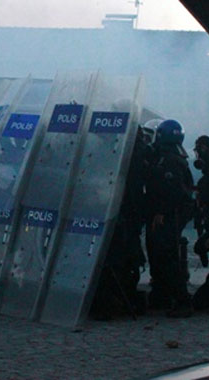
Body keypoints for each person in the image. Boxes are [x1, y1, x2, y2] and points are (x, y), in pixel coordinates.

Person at [91, 125, 148, 320]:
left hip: (123, 213)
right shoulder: (130, 150)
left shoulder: (130, 152)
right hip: (121, 211)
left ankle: (115, 300)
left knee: (120, 258)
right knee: (121, 258)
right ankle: (115, 299)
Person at [145, 119, 195, 318]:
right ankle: (161, 294)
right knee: (157, 254)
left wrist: (161, 212)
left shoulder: (170, 160)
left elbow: (171, 191)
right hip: (166, 213)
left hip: (168, 215)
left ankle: (182, 300)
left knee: (168, 256)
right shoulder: (171, 156)